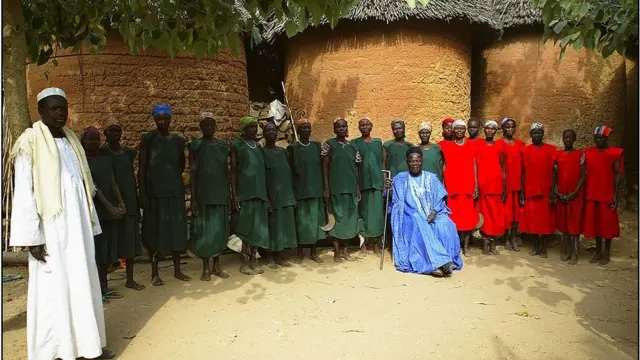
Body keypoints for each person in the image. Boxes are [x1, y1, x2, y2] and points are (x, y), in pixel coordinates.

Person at [9, 88, 115, 359]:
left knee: (83, 282)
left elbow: (81, 186)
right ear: (40, 111)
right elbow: (24, 191)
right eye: (53, 108)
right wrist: (33, 237)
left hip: (77, 229)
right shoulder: (29, 142)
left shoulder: (72, 142)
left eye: (63, 108)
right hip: (51, 232)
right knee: (55, 287)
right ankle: (57, 350)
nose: (60, 113)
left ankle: (89, 347)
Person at [390, 147, 463, 277]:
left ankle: (441, 263)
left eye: (417, 161)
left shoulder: (431, 177)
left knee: (445, 223)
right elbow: (394, 198)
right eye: (411, 161)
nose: (415, 164)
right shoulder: (400, 178)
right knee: (420, 222)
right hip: (410, 215)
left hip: (432, 212)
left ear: (422, 161)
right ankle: (440, 263)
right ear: (407, 162)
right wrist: (388, 188)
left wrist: (434, 212)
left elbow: (440, 197)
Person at [139, 104, 189, 286]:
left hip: (174, 193)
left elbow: (180, 165)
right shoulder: (148, 139)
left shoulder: (177, 141)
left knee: (176, 231)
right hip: (154, 194)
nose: (162, 121)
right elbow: (142, 167)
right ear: (154, 119)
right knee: (154, 231)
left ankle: (177, 270)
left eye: (165, 118)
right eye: (158, 118)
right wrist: (142, 193)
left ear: (170, 119)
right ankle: (155, 272)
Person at [82, 127, 126, 301]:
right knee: (97, 252)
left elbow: (112, 182)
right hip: (95, 212)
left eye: (96, 139)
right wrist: (110, 207)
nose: (94, 142)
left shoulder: (106, 159)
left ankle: (104, 287)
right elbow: (94, 188)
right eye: (90, 139)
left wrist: (120, 202)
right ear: (83, 141)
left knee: (107, 251)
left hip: (110, 211)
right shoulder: (82, 161)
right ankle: (95, 290)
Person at [101, 123, 145, 290]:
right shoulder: (102, 153)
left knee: (129, 239)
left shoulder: (128, 153)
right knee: (110, 240)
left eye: (118, 130)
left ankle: (130, 279)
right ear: (105, 133)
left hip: (130, 200)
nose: (115, 134)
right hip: (111, 203)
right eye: (111, 131)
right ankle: (104, 282)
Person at [188, 113, 231, 281]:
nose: (208, 128)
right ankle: (206, 267)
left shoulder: (222, 146)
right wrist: (194, 198)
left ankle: (216, 266)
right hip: (203, 195)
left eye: (211, 125)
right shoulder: (195, 146)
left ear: (215, 127)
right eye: (205, 125)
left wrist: (229, 194)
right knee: (205, 233)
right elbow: (192, 172)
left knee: (219, 232)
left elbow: (226, 171)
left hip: (220, 194)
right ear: (201, 127)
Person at [231, 116, 269, 275]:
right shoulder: (237, 145)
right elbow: (232, 171)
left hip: (259, 193)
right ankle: (245, 261)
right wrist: (234, 195)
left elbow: (263, 172)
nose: (254, 130)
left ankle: (255, 259)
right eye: (251, 127)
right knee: (245, 228)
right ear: (243, 129)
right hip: (245, 193)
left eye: (255, 127)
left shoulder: (259, 147)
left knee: (258, 228)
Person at [322, 117, 362, 262]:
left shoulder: (353, 146)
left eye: (344, 126)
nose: (341, 129)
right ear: (334, 129)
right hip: (336, 189)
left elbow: (356, 169)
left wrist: (357, 188)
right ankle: (337, 252)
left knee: (350, 220)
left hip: (350, 189)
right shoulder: (329, 144)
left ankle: (346, 250)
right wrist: (326, 188)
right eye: (338, 127)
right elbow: (325, 167)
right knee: (337, 219)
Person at [288, 119, 326, 264]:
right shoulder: (293, 148)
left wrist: (324, 189)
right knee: (301, 223)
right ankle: (299, 252)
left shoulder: (317, 146)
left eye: (308, 128)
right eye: (303, 128)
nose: (306, 130)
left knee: (315, 223)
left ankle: (313, 252)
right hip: (300, 191)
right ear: (297, 130)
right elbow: (290, 171)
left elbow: (323, 168)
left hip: (315, 190)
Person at [440, 119, 480, 257]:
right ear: (453, 130)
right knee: (454, 218)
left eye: (461, 129)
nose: (459, 131)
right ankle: (455, 246)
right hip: (453, 187)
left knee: (467, 218)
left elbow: (474, 165)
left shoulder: (471, 145)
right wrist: (444, 185)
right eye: (456, 128)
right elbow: (444, 166)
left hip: (467, 186)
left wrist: (476, 185)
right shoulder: (447, 146)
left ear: (465, 130)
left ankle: (466, 246)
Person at [584, 126, 623, 265]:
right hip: (593, 193)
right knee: (596, 224)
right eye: (596, 138)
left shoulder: (614, 153)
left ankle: (607, 252)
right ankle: (598, 251)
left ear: (607, 138)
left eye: (601, 138)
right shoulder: (588, 152)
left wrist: (615, 196)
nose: (598, 141)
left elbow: (617, 175)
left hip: (607, 194)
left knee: (607, 225)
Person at [519, 122, 557, 258]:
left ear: (543, 134)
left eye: (539, 133)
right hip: (530, 189)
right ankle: (536, 246)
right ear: (531, 135)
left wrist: (553, 190)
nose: (537, 135)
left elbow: (554, 171)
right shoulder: (525, 150)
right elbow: (523, 171)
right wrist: (522, 191)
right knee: (533, 220)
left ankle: (544, 247)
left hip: (546, 190)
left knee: (545, 221)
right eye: (534, 133)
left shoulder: (551, 150)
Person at [263, 122, 296, 268]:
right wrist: (267, 199)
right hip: (272, 196)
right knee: (272, 226)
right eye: (268, 130)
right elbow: (262, 177)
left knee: (283, 227)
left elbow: (289, 174)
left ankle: (279, 255)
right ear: (263, 134)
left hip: (286, 195)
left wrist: (292, 195)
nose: (271, 132)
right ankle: (269, 257)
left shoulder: (283, 152)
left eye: (273, 130)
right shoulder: (262, 153)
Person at [353, 117, 385, 255]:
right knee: (363, 214)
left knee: (378, 215)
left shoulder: (378, 143)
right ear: (359, 127)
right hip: (363, 183)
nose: (365, 127)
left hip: (377, 183)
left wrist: (384, 181)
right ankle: (363, 243)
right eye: (362, 125)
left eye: (367, 124)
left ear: (371, 126)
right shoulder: (355, 143)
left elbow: (383, 163)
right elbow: (354, 165)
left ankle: (376, 243)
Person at [475, 121, 506, 255]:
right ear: (484, 130)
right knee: (484, 214)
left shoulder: (500, 145)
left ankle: (493, 242)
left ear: (496, 131)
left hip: (496, 185)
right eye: (487, 128)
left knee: (495, 215)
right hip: (483, 185)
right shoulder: (478, 144)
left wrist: (504, 186)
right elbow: (474, 164)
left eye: (493, 129)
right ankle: (485, 242)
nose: (490, 131)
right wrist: (476, 184)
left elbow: (503, 167)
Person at [555, 129, 585, 265]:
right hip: (562, 194)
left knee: (574, 225)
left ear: (574, 139)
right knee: (565, 225)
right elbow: (554, 175)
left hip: (575, 195)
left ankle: (575, 253)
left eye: (570, 138)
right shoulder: (558, 155)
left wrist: (575, 192)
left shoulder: (580, 155)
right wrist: (556, 192)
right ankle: (566, 251)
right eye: (565, 137)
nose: (567, 140)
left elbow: (584, 176)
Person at [496, 117, 525, 251]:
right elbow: (499, 165)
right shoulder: (499, 144)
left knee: (516, 214)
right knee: (507, 213)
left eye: (513, 126)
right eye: (507, 127)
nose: (510, 129)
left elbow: (524, 167)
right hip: (506, 184)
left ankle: (514, 237)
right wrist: (502, 185)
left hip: (517, 184)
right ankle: (506, 238)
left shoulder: (520, 144)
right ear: (502, 128)